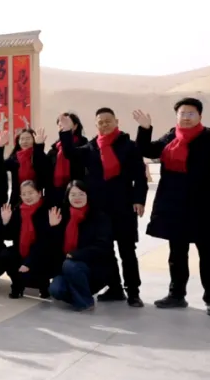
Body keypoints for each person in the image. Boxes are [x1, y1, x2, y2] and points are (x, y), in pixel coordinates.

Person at [133, 99, 210, 316]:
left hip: (202, 206)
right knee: (177, 253)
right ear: (176, 116)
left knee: (208, 253)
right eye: (182, 113)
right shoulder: (171, 137)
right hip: (173, 205)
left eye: (191, 113)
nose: (186, 117)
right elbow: (147, 150)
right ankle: (176, 294)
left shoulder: (209, 140)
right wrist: (145, 129)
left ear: (200, 116)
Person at [58, 108, 148, 307]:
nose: (104, 125)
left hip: (123, 207)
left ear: (116, 121)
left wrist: (139, 199)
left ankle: (133, 292)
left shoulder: (128, 146)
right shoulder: (91, 147)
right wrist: (65, 132)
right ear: (96, 125)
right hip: (99, 209)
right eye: (100, 122)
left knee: (127, 250)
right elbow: (70, 153)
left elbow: (139, 176)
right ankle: (115, 288)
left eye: (108, 121)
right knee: (106, 250)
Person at [47, 181, 115, 313]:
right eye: (73, 195)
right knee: (56, 289)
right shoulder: (62, 215)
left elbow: (103, 246)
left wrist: (75, 255)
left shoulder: (99, 216)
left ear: (88, 195)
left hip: (93, 269)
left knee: (70, 265)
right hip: (67, 269)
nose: (77, 198)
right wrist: (53, 227)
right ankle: (80, 295)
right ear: (67, 197)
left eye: (81, 194)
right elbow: (52, 247)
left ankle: (85, 303)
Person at [1, 181, 52, 299]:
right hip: (21, 249)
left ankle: (43, 286)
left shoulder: (46, 211)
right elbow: (8, 236)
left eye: (30, 193)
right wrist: (5, 222)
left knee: (43, 258)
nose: (27, 197)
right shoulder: (18, 210)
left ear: (39, 193)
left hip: (40, 252)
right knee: (6, 255)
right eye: (24, 194)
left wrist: (28, 262)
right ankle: (17, 285)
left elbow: (44, 242)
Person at [3, 128, 50, 207]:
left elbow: (43, 169)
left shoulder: (40, 155)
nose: (25, 141)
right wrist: (0, 147)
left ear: (34, 140)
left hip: (37, 197)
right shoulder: (14, 158)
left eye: (28, 138)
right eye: (22, 139)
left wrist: (39, 146)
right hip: (18, 198)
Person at [47, 112, 86, 203]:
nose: (63, 126)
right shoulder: (54, 150)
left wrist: (66, 134)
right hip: (56, 192)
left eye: (66, 123)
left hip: (77, 192)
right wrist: (38, 146)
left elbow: (70, 152)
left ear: (75, 126)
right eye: (60, 125)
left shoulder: (83, 146)